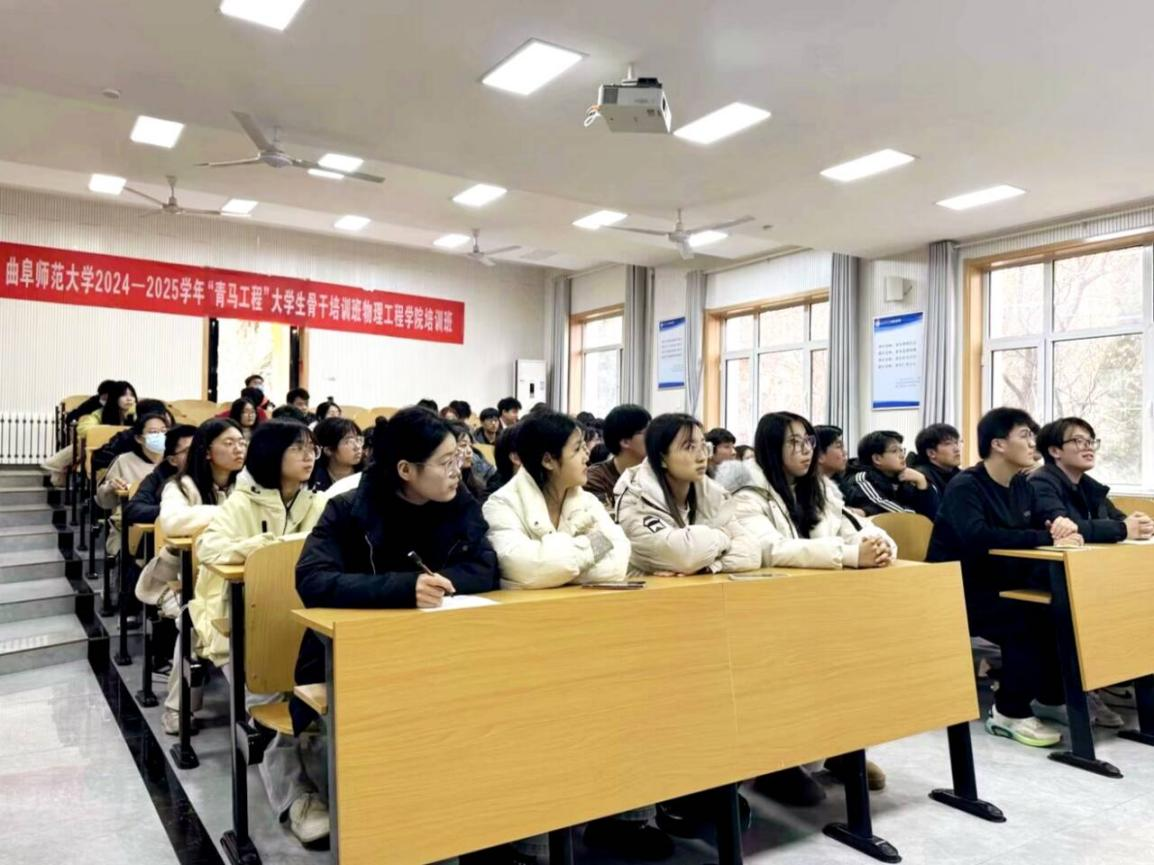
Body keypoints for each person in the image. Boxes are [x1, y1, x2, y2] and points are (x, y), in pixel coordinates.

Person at [482, 413, 666, 860]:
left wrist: (563, 559)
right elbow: (526, 568)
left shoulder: (586, 501)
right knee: (537, 732)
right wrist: (584, 552)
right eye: (578, 449)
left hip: (589, 636)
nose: (588, 455)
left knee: (631, 704)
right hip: (524, 648)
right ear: (548, 460)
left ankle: (622, 821)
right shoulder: (501, 504)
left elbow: (617, 556)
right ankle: (527, 842)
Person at [291, 408, 499, 753]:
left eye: (459, 457)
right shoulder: (348, 509)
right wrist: (406, 588)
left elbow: (486, 567)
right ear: (406, 470)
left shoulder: (458, 502)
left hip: (441, 650)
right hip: (355, 656)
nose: (458, 470)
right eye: (445, 462)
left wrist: (438, 584)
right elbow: (312, 579)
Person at [716, 411, 895, 801]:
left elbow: (858, 529)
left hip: (823, 607)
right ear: (770, 447)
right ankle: (777, 764)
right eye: (794, 443)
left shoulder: (822, 489)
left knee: (850, 664)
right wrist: (849, 555)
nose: (805, 450)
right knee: (786, 678)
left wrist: (880, 546)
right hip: (768, 612)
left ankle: (842, 747)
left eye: (809, 442)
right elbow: (771, 549)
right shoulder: (747, 493)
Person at [927, 407, 1100, 747]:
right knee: (1027, 618)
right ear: (998, 444)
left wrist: (1060, 525)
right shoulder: (966, 486)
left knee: (1058, 610)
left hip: (1004, 584)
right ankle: (1008, 711)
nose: (1033, 443)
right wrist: (1044, 536)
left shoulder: (1022, 484)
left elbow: (1047, 518)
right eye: (1025, 435)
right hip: (958, 591)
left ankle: (1048, 696)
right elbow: (978, 537)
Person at [194, 420, 329, 847]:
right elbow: (208, 549)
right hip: (244, 628)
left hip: (303, 626)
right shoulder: (241, 503)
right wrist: (267, 548)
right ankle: (298, 800)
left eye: (312, 448)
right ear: (272, 455)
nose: (309, 456)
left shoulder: (316, 501)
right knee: (271, 707)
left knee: (326, 701)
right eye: (298, 449)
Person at [155, 419, 247, 735]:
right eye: (229, 443)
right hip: (182, 581)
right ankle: (178, 708)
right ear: (207, 451)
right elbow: (172, 522)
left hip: (229, 580)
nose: (239, 449)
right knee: (192, 620)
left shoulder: (246, 483)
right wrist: (230, 513)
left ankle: (256, 702)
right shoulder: (181, 486)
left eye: (242, 442)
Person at [615, 413, 760, 576]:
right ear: (661, 458)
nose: (702, 457)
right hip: (647, 591)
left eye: (703, 446)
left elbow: (752, 551)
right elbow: (684, 556)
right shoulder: (636, 499)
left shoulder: (712, 494)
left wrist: (710, 566)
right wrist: (724, 535)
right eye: (689, 447)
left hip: (694, 589)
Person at [1031, 417, 1154, 544]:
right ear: (1055, 451)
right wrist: (1123, 529)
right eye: (1079, 441)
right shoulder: (1040, 482)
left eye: (1090, 441)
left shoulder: (1090, 487)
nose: (1089, 447)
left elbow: (1119, 519)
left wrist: (1143, 526)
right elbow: (1062, 528)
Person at [95, 413, 169, 554]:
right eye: (153, 432)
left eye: (164, 431)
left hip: (169, 526)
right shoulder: (124, 461)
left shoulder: (175, 460)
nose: (160, 436)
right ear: (139, 438)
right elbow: (103, 502)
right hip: (129, 529)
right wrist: (111, 487)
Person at [846, 430, 940, 518]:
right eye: (894, 451)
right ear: (877, 459)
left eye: (902, 450)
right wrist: (921, 516)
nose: (902, 455)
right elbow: (894, 512)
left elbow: (935, 514)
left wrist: (922, 482)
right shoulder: (862, 478)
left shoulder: (904, 476)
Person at [584, 404, 650, 510]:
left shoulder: (655, 473)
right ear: (625, 441)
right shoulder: (595, 480)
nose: (653, 437)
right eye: (647, 433)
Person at [310, 417, 364, 492]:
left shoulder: (368, 475)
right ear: (329, 450)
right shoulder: (312, 479)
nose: (357, 447)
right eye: (348, 441)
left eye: (358, 439)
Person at [910, 423, 963, 495]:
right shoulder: (920, 478)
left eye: (956, 443)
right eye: (948, 443)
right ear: (931, 453)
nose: (957, 449)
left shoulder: (961, 475)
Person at [450, 423, 496, 503]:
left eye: (470, 446)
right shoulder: (444, 484)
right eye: (463, 445)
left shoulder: (475, 480)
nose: (469, 451)